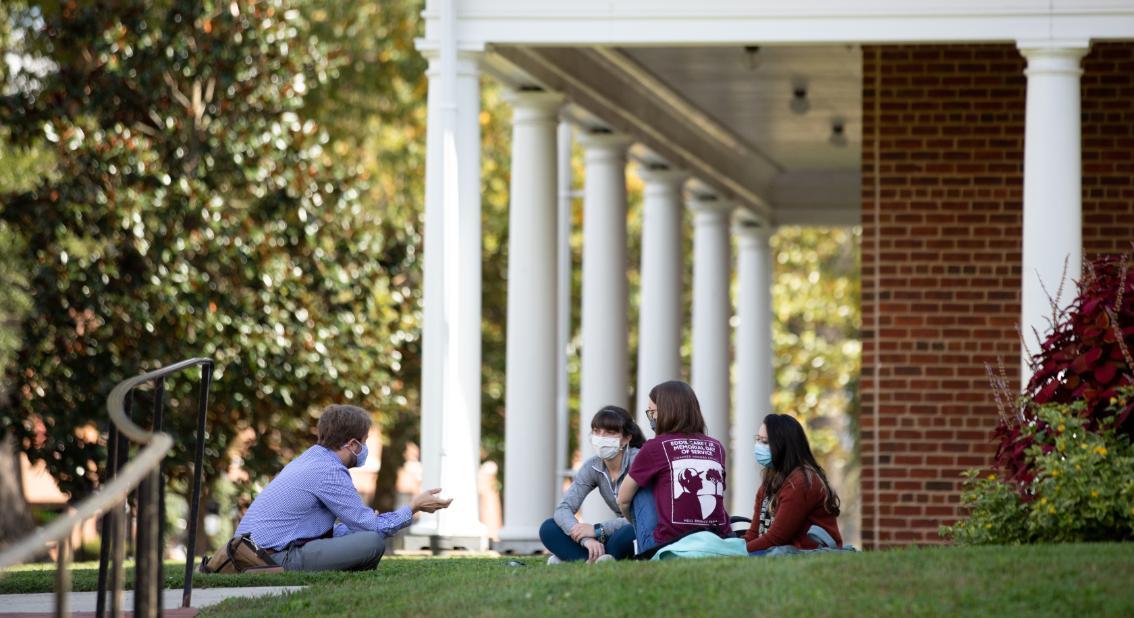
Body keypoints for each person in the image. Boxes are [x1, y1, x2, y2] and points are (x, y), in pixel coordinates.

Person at [234, 404, 453, 571]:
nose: (365, 449)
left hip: (255, 551)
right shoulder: (329, 471)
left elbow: (322, 531)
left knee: (361, 535)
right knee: (372, 543)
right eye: (364, 442)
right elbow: (373, 530)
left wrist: (363, 524)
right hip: (270, 558)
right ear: (352, 444)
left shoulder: (312, 459)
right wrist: (413, 507)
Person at [618, 381, 731, 554]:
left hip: (667, 546)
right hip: (716, 541)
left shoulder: (654, 447)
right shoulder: (717, 447)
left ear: (666, 411)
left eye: (652, 412)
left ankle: (643, 552)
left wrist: (637, 525)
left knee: (640, 486)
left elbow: (623, 499)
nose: (651, 417)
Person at [539, 406, 645, 563]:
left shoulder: (640, 461)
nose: (601, 437)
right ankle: (598, 556)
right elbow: (564, 508)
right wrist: (586, 539)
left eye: (610, 432)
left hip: (636, 528)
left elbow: (641, 517)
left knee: (628, 533)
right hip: (608, 534)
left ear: (626, 438)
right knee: (548, 528)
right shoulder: (593, 466)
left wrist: (597, 530)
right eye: (597, 431)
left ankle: (574, 557)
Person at [745, 414, 843, 554]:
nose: (759, 446)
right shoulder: (771, 480)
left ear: (783, 445)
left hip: (809, 555)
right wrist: (730, 548)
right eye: (758, 440)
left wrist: (739, 551)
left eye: (765, 442)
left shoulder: (802, 481)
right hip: (779, 552)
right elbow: (754, 534)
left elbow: (776, 538)